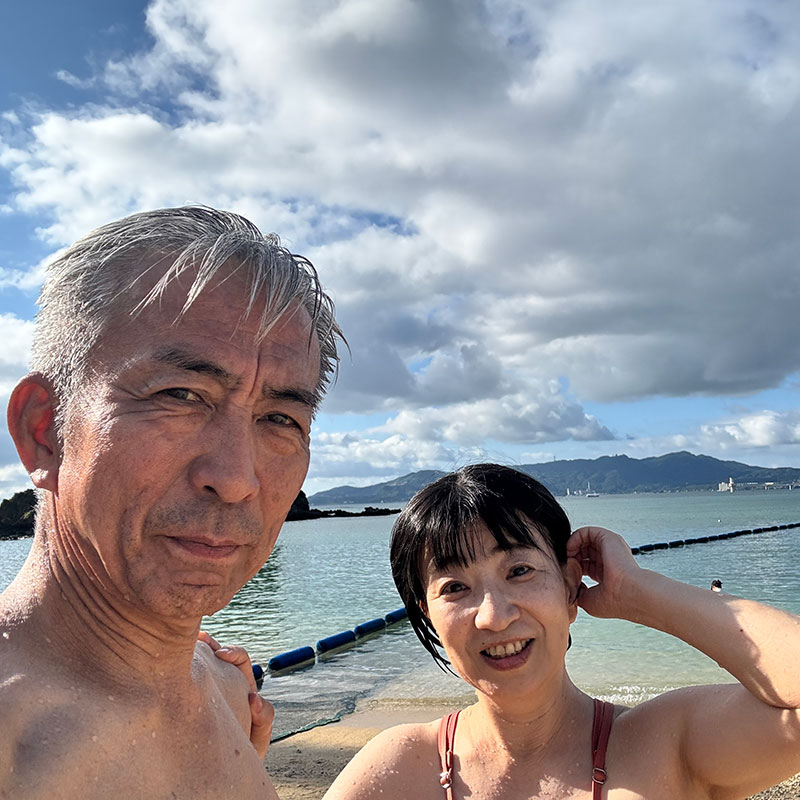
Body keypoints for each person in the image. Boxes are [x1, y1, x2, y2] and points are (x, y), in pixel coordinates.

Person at [0, 206, 344, 799]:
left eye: (280, 419)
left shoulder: (230, 695)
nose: (236, 479)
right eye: (181, 395)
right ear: (45, 430)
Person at [325, 464, 800, 799]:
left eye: (519, 571)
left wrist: (640, 591)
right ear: (427, 615)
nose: (493, 616)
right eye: (454, 587)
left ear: (569, 586)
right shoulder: (404, 769)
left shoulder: (663, 748)